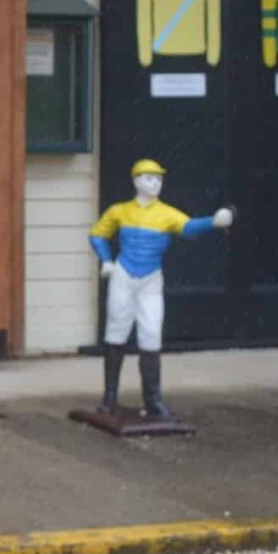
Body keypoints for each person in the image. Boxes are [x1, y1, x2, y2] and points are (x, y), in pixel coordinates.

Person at [89, 159, 233, 422]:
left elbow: (188, 228)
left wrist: (214, 221)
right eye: (149, 178)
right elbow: (98, 234)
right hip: (123, 275)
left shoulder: (166, 213)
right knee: (116, 331)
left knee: (151, 333)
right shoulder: (119, 211)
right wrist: (106, 260)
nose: (155, 183)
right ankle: (109, 398)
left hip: (151, 279)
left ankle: (153, 401)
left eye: (159, 179)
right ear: (136, 181)